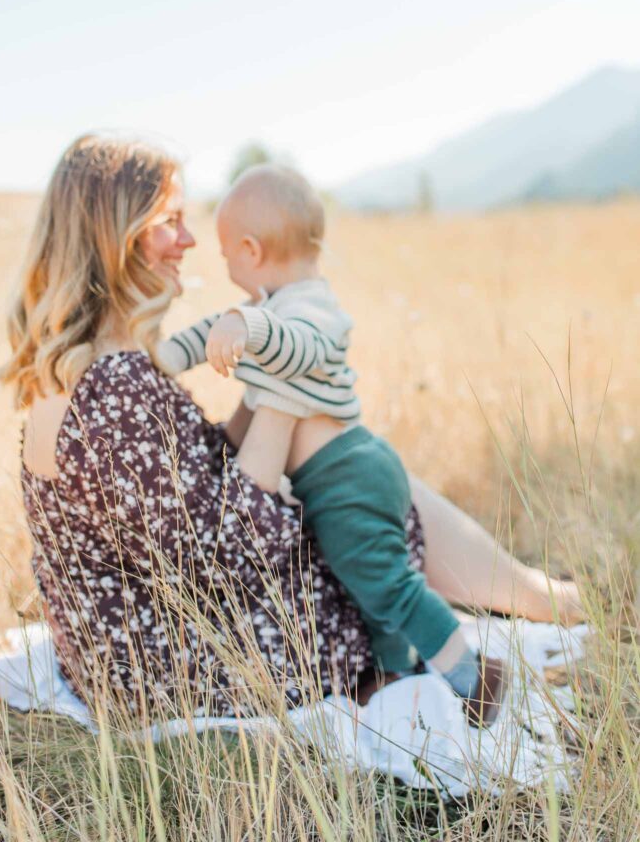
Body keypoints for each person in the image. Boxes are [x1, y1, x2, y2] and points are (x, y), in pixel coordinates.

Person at [0, 134, 580, 725]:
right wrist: (285, 392)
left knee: (352, 472)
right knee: (359, 492)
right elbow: (229, 555)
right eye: (170, 221)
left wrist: (269, 398)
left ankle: (537, 597)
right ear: (118, 236)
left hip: (141, 646)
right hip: (179, 665)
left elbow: (187, 491)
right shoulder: (113, 384)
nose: (189, 240)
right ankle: (538, 606)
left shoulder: (88, 366)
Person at [160, 166, 582, 722]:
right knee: (364, 578)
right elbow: (202, 334)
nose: (224, 267)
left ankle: (475, 675)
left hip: (347, 474)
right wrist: (151, 366)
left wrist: (247, 324)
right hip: (346, 470)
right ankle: (396, 669)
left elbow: (301, 346)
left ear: (251, 250)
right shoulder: (273, 300)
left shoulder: (310, 306)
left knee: (388, 586)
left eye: (224, 254)